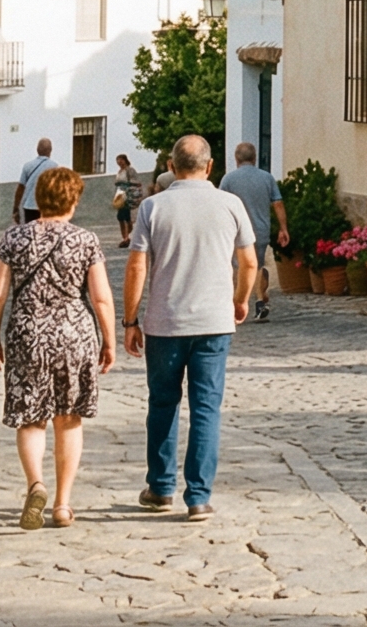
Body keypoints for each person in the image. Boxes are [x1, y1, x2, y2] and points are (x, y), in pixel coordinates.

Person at [123, 135, 256, 521]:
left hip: (165, 322)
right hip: (214, 323)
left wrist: (130, 319)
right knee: (206, 408)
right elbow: (249, 263)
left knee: (163, 404)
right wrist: (240, 300)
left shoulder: (153, 207)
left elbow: (136, 266)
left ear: (171, 166)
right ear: (210, 166)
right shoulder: (230, 204)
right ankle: (198, 496)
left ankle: (161, 487)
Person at [0, 166, 116, 530]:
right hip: (74, 335)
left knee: (31, 417)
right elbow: (101, 297)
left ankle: (35, 485)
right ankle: (62, 504)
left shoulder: (14, 238)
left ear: (38, 199)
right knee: (68, 417)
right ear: (73, 201)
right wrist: (109, 340)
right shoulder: (86, 240)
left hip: (28, 335)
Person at [217, 144, 289, 323]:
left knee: (237, 267)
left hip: (236, 231)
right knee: (258, 265)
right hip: (260, 230)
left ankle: (235, 307)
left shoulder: (228, 179)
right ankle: (259, 302)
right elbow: (278, 203)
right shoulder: (267, 177)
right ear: (255, 158)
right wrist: (283, 228)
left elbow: (220, 206)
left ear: (236, 158)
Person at [13, 138, 65, 225]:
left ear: (37, 150)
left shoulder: (27, 166)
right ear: (50, 150)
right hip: (47, 207)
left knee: (30, 230)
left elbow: (20, 188)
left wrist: (16, 207)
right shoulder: (54, 167)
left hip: (29, 206)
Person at [111, 155, 144, 246]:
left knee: (125, 216)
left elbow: (136, 182)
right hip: (120, 194)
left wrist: (127, 185)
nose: (119, 162)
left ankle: (127, 237)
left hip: (128, 195)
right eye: (118, 160)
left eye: (121, 160)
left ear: (125, 160)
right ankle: (126, 237)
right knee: (122, 217)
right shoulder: (119, 171)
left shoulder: (130, 170)